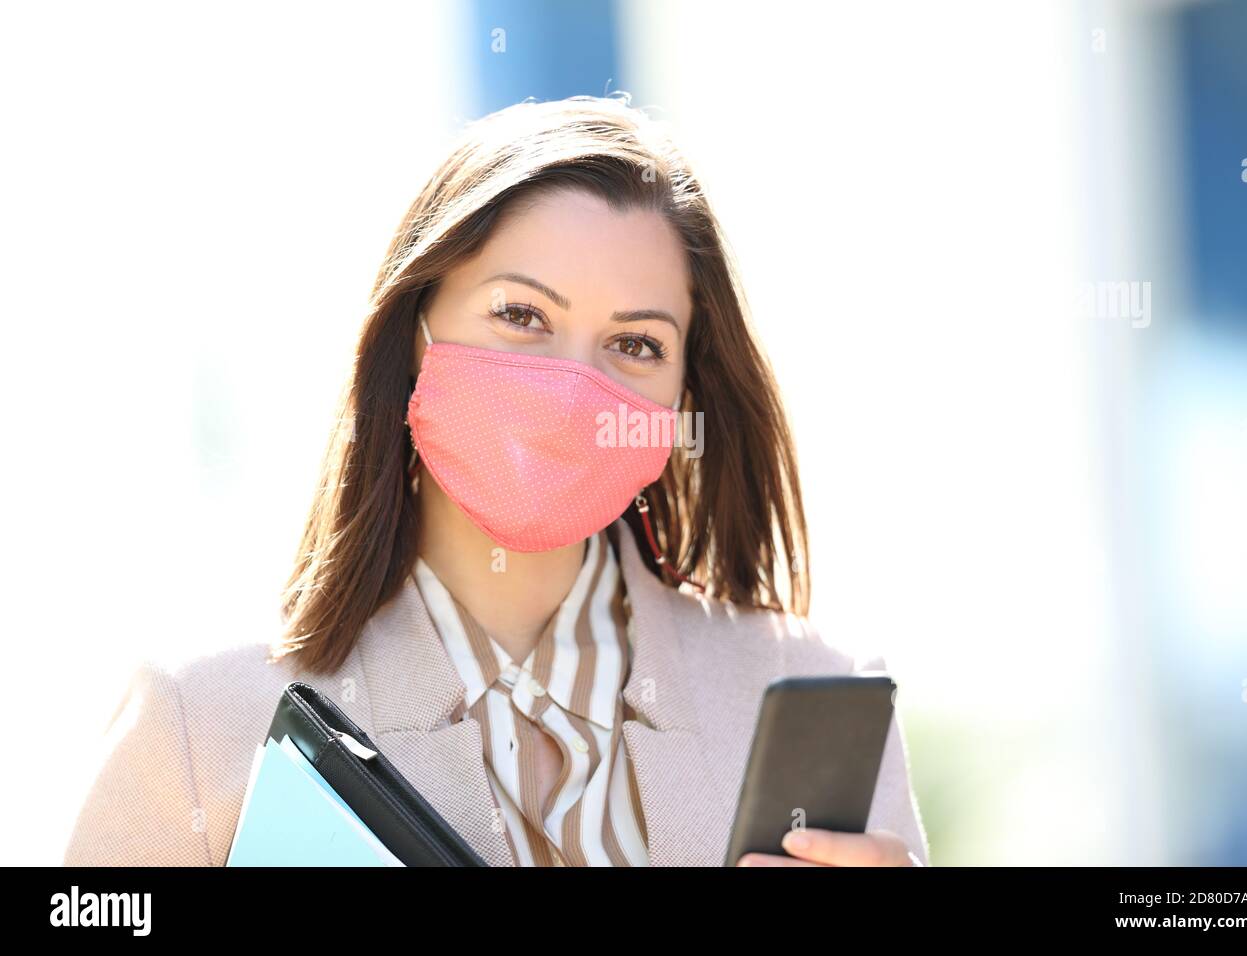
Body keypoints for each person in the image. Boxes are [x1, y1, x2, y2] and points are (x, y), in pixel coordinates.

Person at [62, 96, 929, 867]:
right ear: (414, 333)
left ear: (681, 400)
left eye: (637, 345)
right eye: (521, 315)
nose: (572, 387)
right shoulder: (201, 718)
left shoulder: (813, 708)